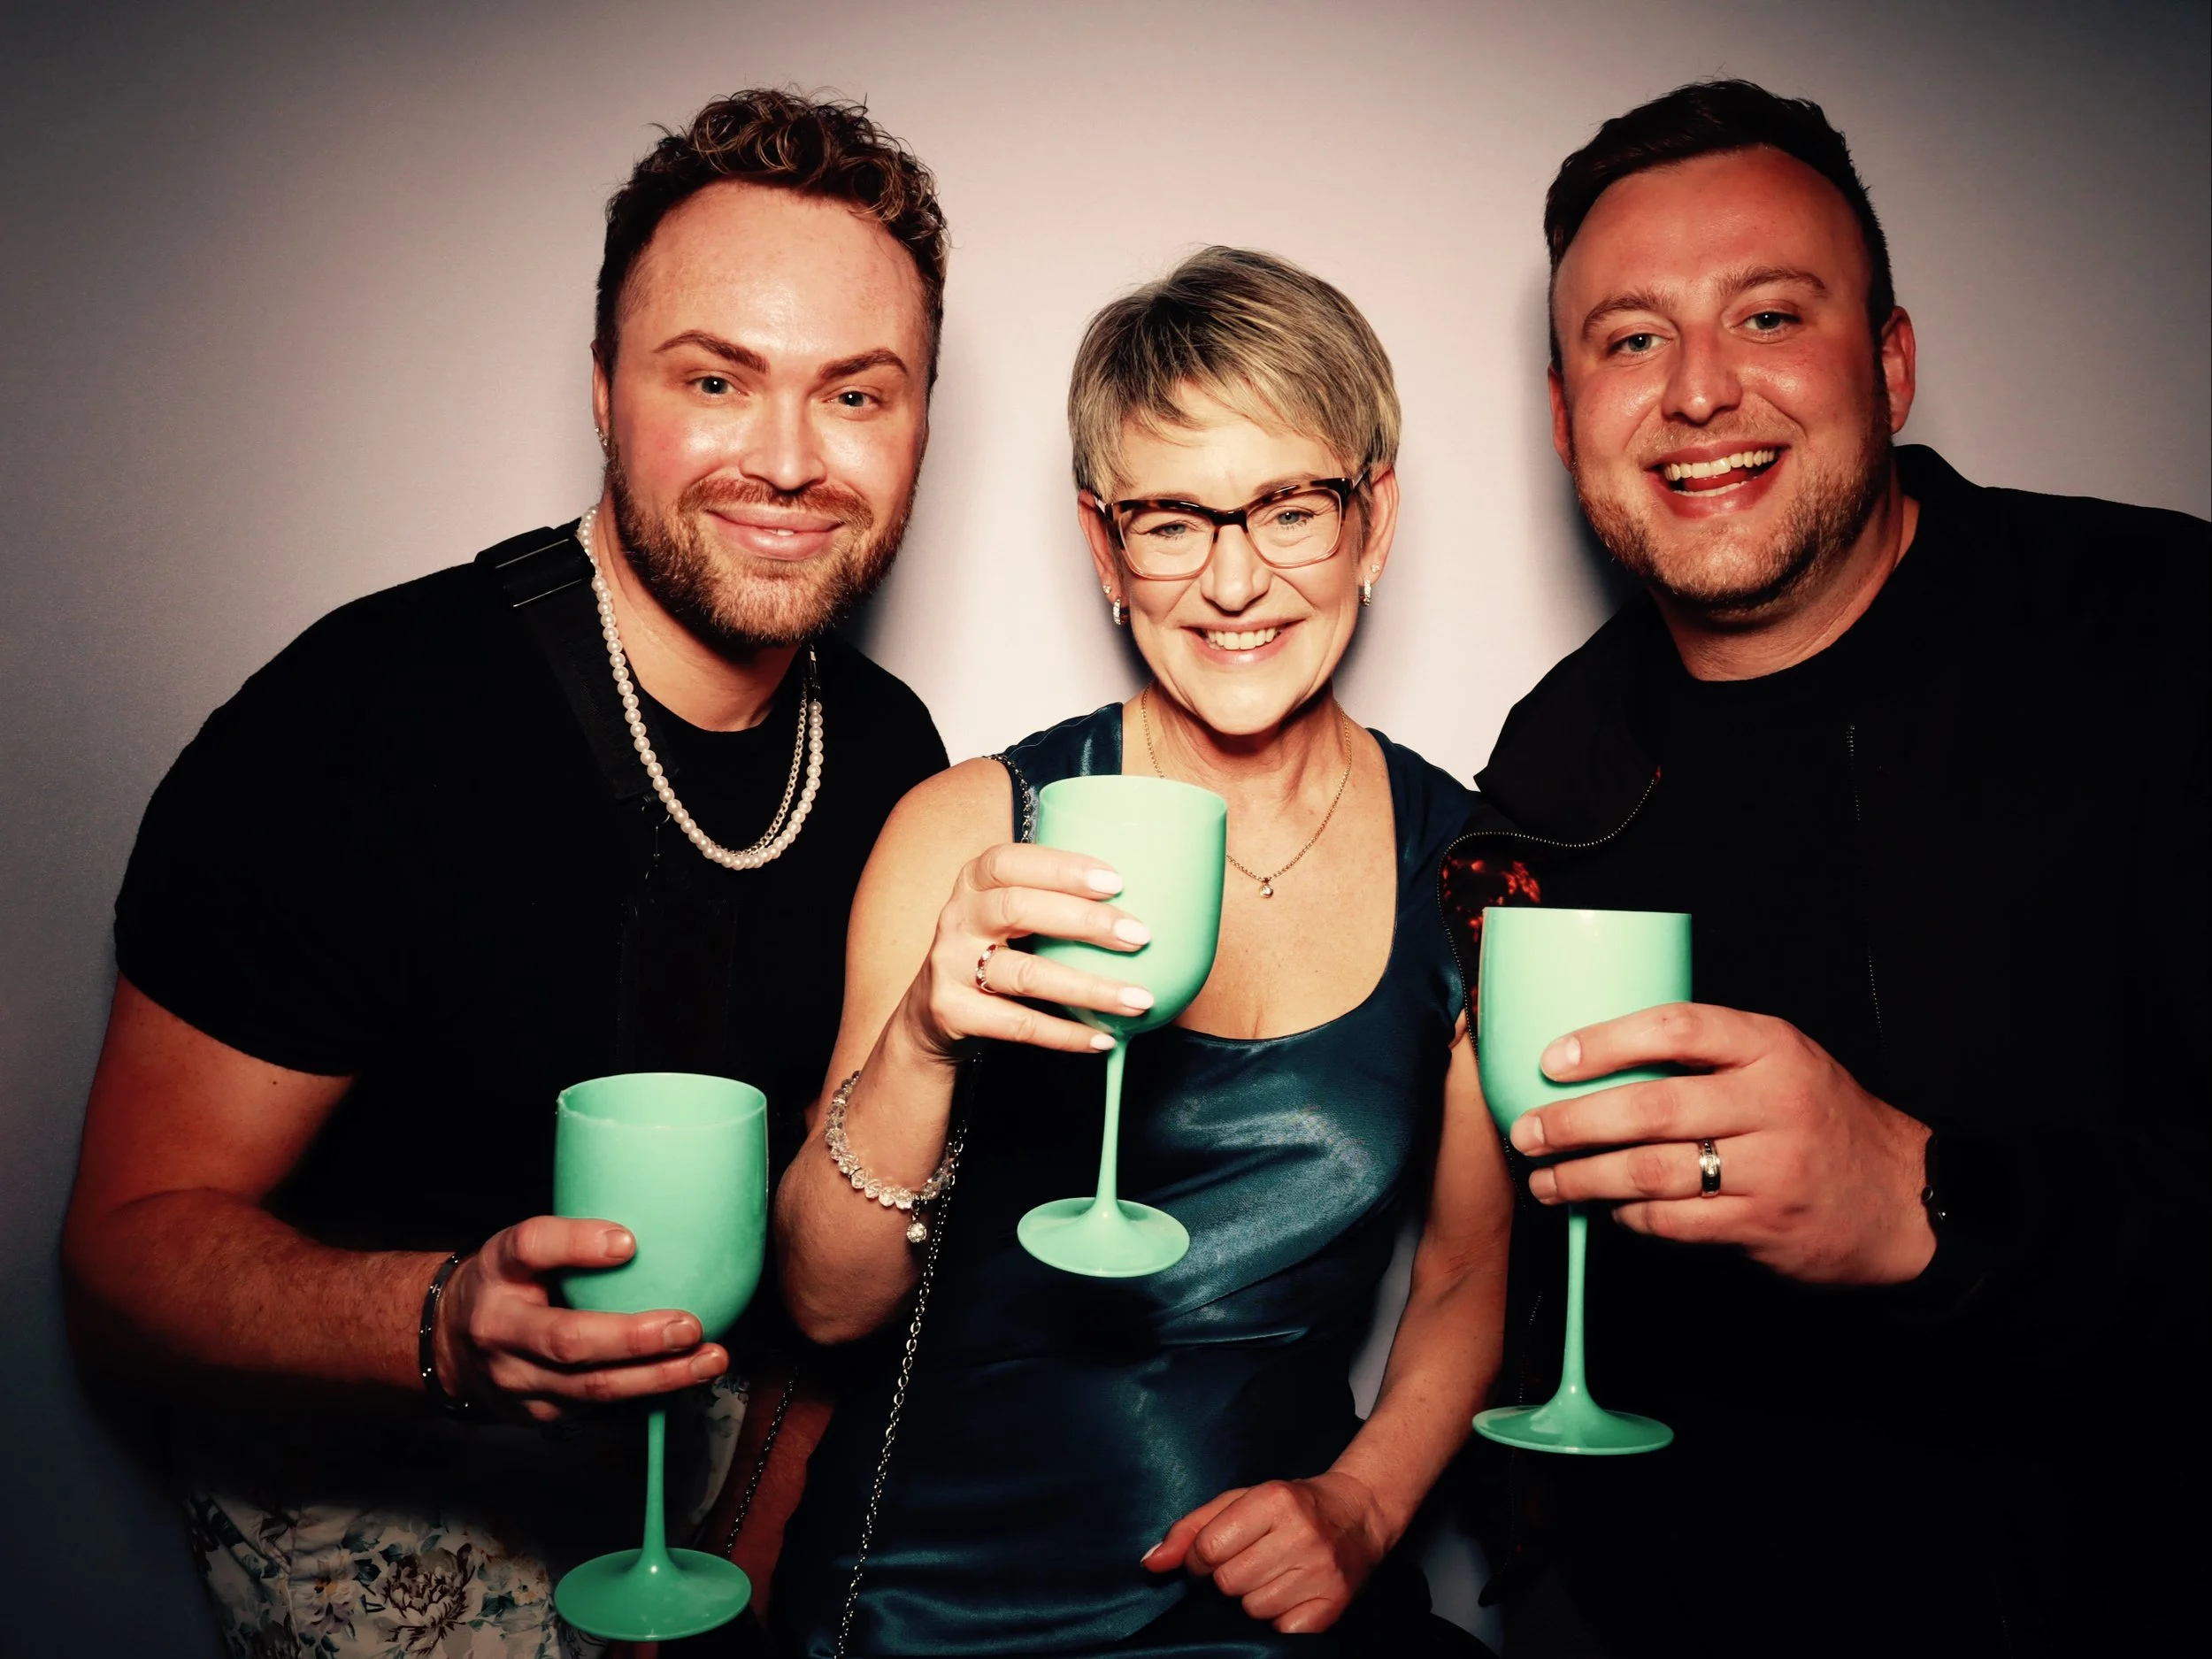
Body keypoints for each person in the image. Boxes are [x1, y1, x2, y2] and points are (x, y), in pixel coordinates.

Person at [60, 89, 950, 1658]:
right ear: (605, 390)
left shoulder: (888, 751)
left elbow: (841, 1239)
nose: (790, 458)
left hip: (722, 1514)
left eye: (858, 394)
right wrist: (438, 1325)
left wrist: (767, 1568)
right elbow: (124, 1256)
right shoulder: (356, 722)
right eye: (717, 378)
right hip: (386, 1504)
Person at [1440, 80, 2208, 1657]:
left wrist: (1925, 1199)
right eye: (1632, 339)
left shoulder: (2163, 637)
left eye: (1769, 315)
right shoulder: (1551, 760)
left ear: (1892, 360)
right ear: (1564, 402)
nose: (1700, 392)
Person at [770, 247, 1513, 1657]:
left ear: (1375, 516)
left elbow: (1470, 1273)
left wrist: (1361, 1504)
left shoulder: (1473, 866)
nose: (1235, 579)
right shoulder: (972, 824)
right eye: (1174, 519)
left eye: (1290, 505)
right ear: (1107, 548)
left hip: (1274, 1601)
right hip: (932, 1604)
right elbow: (823, 1296)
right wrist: (925, 1039)